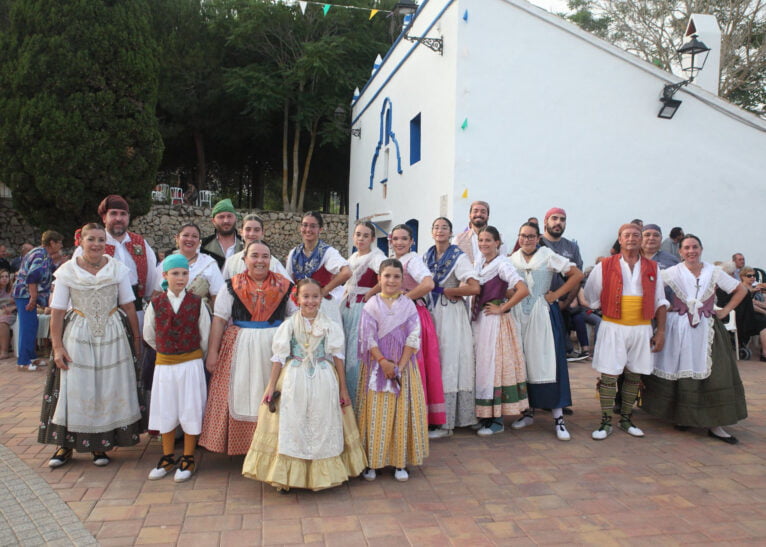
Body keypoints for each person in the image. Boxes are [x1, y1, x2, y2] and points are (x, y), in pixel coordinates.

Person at [242, 279, 367, 491]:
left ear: (321, 298)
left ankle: (321, 474)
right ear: (297, 299)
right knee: (293, 421)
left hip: (323, 378)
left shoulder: (330, 325)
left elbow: (338, 358)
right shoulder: (288, 325)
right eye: (306, 296)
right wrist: (271, 386)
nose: (310, 301)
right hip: (294, 378)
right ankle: (288, 475)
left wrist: (343, 389)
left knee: (322, 421)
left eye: (315, 296)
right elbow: (279, 358)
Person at [39, 223, 145, 468]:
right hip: (78, 334)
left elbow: (129, 306)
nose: (96, 244)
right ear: (81, 242)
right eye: (91, 239)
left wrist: (136, 341)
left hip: (113, 334)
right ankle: (64, 446)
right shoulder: (67, 271)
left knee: (107, 389)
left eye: (100, 239)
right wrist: (57, 347)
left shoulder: (118, 269)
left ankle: (99, 446)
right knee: (75, 387)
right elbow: (56, 312)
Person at [642, 235, 748, 444]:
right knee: (680, 369)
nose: (691, 251)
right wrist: (667, 307)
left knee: (715, 373)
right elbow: (654, 295)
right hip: (678, 327)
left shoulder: (714, 272)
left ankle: (716, 423)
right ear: (680, 252)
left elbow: (740, 289)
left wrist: (725, 310)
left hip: (706, 328)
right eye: (687, 248)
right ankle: (684, 416)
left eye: (695, 247)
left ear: (701, 249)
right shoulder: (671, 272)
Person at [199, 241, 292, 456]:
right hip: (240, 346)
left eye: (265, 256)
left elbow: (294, 317)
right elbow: (220, 320)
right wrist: (212, 353)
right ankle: (245, 446)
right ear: (245, 259)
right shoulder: (231, 285)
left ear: (271, 260)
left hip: (274, 348)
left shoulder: (285, 286)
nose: (260, 261)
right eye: (255, 256)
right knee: (241, 391)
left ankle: (271, 446)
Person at [584, 223, 668, 440]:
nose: (631, 238)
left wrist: (660, 332)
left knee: (634, 375)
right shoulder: (604, 265)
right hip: (613, 326)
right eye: (627, 235)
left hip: (641, 327)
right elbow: (591, 296)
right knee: (609, 374)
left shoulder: (653, 267)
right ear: (619, 239)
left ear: (641, 240)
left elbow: (660, 301)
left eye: (635, 235)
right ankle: (605, 421)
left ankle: (626, 418)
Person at [356, 259, 428, 482]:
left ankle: (399, 462)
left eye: (397, 276)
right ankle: (372, 462)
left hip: (403, 367)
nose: (391, 280)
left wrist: (401, 365)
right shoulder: (371, 306)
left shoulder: (408, 305)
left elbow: (414, 335)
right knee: (375, 414)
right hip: (377, 368)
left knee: (401, 413)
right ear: (379, 278)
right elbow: (367, 337)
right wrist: (384, 363)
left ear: (402, 280)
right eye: (387, 276)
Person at [510, 222, 583, 441]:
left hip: (542, 312)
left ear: (538, 237)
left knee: (548, 361)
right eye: (523, 236)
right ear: (519, 237)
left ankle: (558, 418)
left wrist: (555, 295)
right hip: (518, 314)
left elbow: (577, 275)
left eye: (531, 236)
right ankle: (528, 411)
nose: (527, 240)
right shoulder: (512, 258)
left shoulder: (548, 255)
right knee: (524, 362)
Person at [424, 217, 480, 438]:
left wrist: (449, 291)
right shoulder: (427, 255)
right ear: (431, 232)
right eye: (436, 227)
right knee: (435, 361)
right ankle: (436, 417)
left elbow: (474, 287)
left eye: (444, 227)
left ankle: (446, 423)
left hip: (451, 313)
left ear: (450, 232)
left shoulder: (458, 256)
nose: (440, 231)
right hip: (433, 313)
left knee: (449, 362)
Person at [472, 226, 530, 436]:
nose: (484, 244)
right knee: (482, 367)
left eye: (488, 240)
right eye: (481, 240)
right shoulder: (480, 262)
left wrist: (502, 307)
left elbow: (523, 289)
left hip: (495, 322)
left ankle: (497, 420)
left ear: (497, 242)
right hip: (481, 319)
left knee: (493, 367)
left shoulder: (502, 263)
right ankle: (485, 415)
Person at [389, 224, 446, 428]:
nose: (400, 242)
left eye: (404, 239)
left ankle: (417, 417)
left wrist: (405, 299)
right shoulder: (395, 261)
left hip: (413, 315)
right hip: (399, 316)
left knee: (414, 364)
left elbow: (428, 284)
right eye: (396, 239)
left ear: (412, 241)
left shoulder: (413, 260)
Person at [74, 195, 159, 329]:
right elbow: (75, 278)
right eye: (113, 213)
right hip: (102, 314)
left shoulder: (140, 243)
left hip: (136, 311)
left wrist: (148, 300)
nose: (119, 218)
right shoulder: (91, 245)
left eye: (123, 214)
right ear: (104, 218)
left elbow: (152, 275)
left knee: (135, 348)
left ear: (128, 217)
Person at [340, 220, 386, 405]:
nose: (361, 238)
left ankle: (360, 400)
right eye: (358, 234)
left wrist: (370, 293)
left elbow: (385, 277)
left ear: (372, 239)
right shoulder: (352, 258)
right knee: (345, 348)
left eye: (366, 235)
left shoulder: (376, 257)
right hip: (348, 306)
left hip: (362, 309)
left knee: (357, 352)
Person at [285, 211, 351, 326]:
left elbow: (347, 272)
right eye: (305, 225)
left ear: (320, 229)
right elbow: (288, 281)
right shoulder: (294, 253)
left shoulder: (328, 252)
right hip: (299, 306)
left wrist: (324, 291)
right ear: (300, 227)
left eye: (313, 226)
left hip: (322, 307)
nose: (308, 229)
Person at [12, 230, 64, 371]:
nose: (61, 245)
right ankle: (23, 361)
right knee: (27, 326)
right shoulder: (39, 255)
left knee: (33, 325)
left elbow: (50, 272)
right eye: (59, 242)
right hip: (25, 295)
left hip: (30, 295)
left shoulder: (45, 255)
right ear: (52, 243)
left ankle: (32, 357)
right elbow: (32, 277)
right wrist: (33, 298)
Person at [539, 207, 586, 362]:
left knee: (559, 353)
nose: (558, 222)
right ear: (546, 221)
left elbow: (578, 276)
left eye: (562, 219)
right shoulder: (536, 242)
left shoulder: (572, 247)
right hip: (539, 303)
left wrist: (565, 302)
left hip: (562, 305)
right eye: (554, 218)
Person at [222, 213, 290, 281]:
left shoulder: (274, 264)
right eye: (248, 229)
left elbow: (289, 287)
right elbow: (222, 288)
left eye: (256, 230)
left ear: (262, 232)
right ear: (241, 232)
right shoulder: (231, 262)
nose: (252, 234)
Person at [455, 201, 505, 265]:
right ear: (470, 215)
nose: (479, 214)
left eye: (483, 212)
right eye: (475, 211)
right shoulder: (458, 239)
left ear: (488, 216)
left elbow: (503, 261)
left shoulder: (499, 238)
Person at [201, 198, 243, 270]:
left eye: (229, 216)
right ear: (213, 221)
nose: (226, 221)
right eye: (221, 217)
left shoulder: (246, 246)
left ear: (235, 218)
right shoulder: (203, 246)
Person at [0, 269, 17, 359]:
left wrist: (11, 308)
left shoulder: (13, 289)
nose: (4, 279)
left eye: (6, 276)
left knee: (2, 322)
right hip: (1, 312)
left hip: (12, 313)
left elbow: (19, 303)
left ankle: (4, 351)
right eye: (2, 277)